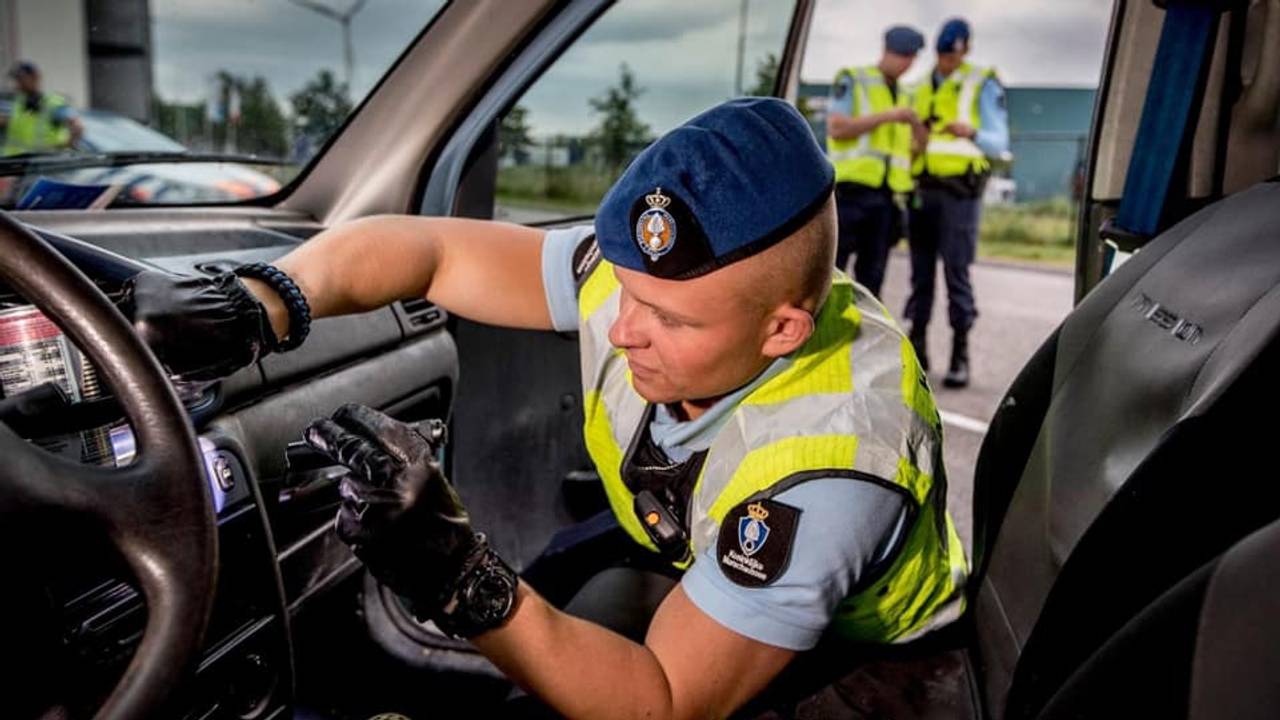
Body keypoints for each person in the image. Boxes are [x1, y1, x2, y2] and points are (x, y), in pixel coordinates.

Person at [122, 97, 968, 719]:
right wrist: (269, 298)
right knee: (554, 596)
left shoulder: (829, 470)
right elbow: (430, 251)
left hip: (860, 668)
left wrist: (457, 574)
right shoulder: (659, 283)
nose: (621, 327)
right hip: (686, 547)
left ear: (782, 330)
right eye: (623, 290)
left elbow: (662, 703)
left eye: (667, 319)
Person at [905, 18, 1010, 388]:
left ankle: (959, 354)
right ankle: (916, 351)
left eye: (955, 55)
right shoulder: (917, 86)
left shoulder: (981, 81)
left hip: (960, 194)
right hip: (922, 189)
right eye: (944, 55)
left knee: (956, 273)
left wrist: (973, 131)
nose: (949, 62)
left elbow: (999, 143)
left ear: (965, 50)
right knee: (919, 276)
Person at [825, 25, 926, 297]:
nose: (906, 64)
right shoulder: (853, 79)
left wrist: (917, 127)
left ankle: (864, 336)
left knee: (873, 278)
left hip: (887, 198)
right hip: (850, 192)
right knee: (832, 274)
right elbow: (837, 128)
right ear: (886, 51)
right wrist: (889, 116)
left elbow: (914, 148)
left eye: (910, 58)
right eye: (901, 56)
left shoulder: (908, 95)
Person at [1, 61, 82, 156]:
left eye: (21, 79)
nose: (17, 84)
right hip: (15, 165)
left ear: (35, 78)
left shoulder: (53, 104)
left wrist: (66, 146)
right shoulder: (18, 104)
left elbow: (78, 127)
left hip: (46, 166)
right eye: (16, 80)